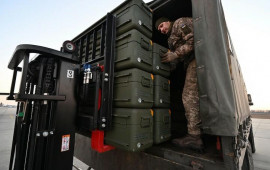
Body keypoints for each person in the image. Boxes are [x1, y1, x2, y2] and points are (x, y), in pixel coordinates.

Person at [155, 17, 203, 151]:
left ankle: (194, 137)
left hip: (198, 58)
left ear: (167, 21)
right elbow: (176, 61)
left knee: (188, 96)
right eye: (159, 29)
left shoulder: (179, 23)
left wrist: (175, 54)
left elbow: (194, 41)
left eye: (162, 25)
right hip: (190, 63)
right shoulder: (170, 40)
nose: (162, 29)